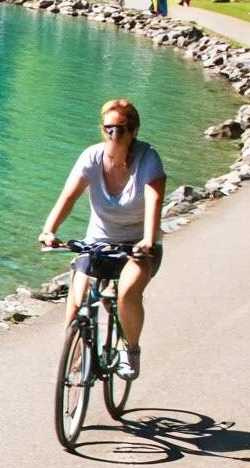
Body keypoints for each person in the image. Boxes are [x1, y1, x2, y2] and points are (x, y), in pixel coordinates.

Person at [37, 97, 166, 382]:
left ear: (134, 130)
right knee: (76, 299)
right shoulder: (92, 157)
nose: (115, 134)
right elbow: (69, 196)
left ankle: (131, 350)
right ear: (102, 129)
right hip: (98, 244)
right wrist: (49, 230)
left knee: (127, 293)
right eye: (109, 128)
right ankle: (74, 354)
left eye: (122, 128)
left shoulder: (148, 158)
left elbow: (154, 199)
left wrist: (147, 240)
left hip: (137, 246)